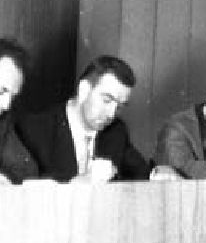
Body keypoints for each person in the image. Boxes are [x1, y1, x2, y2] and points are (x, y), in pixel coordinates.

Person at [17, 55, 154, 181]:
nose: (111, 114)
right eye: (107, 100)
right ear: (84, 90)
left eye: (119, 106)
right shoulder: (35, 130)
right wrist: (84, 180)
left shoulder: (116, 131)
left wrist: (160, 172)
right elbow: (28, 194)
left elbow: (143, 174)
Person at [0, 39, 38, 185]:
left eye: (12, 96)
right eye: (1, 91)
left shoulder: (0, 122)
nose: (6, 105)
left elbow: (27, 171)